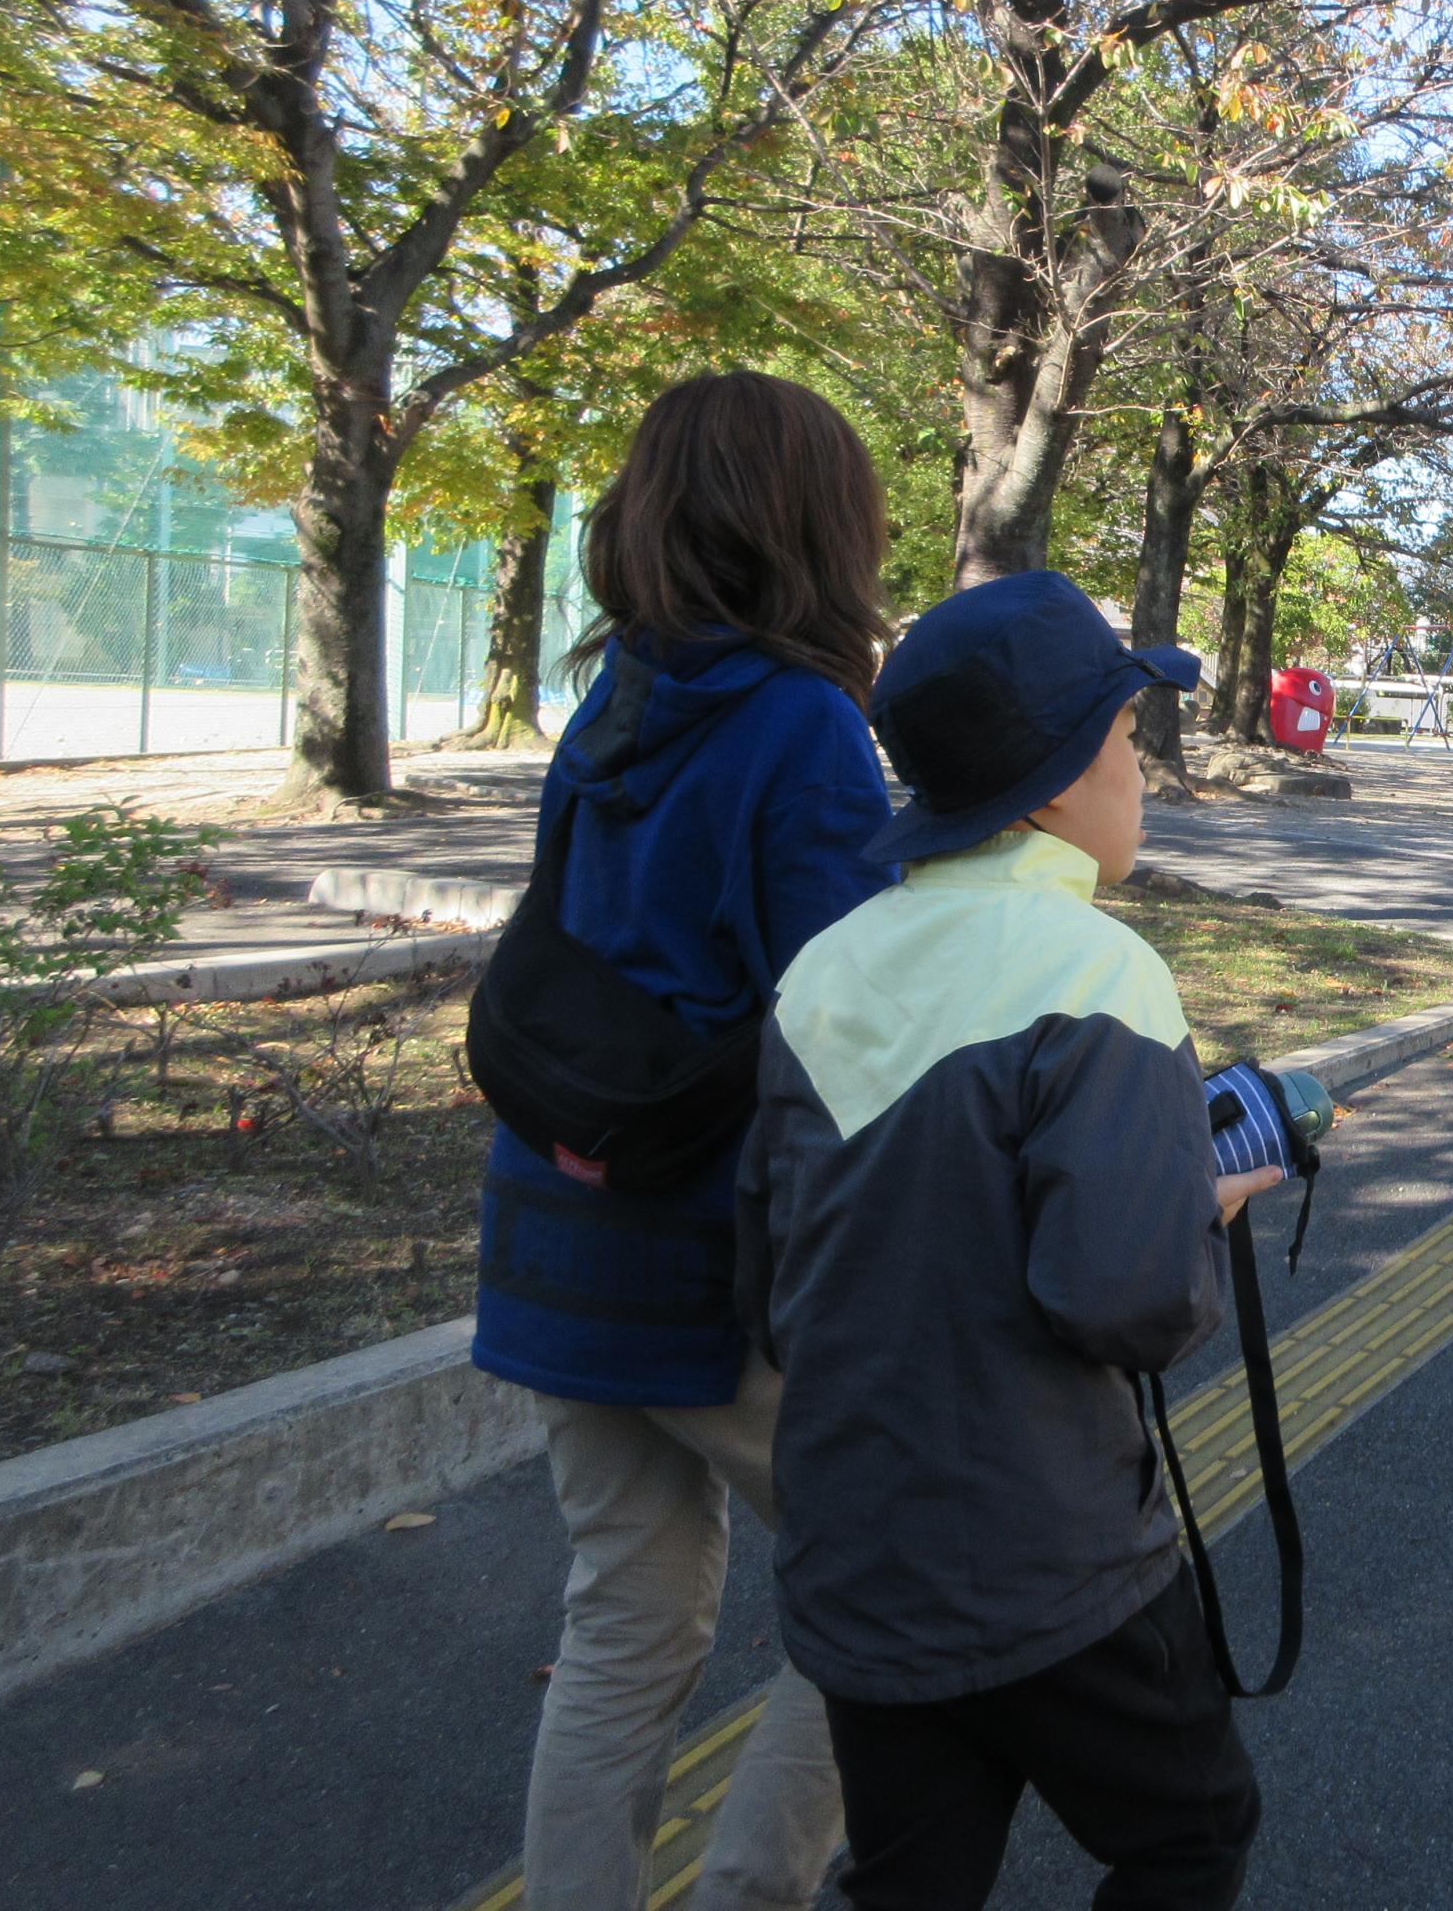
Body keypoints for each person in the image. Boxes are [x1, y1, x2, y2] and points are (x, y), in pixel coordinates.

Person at [737, 571, 1281, 1911]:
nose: (1139, 771)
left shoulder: (824, 969)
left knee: (910, 1881)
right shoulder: (1097, 973)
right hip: (1050, 1562)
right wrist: (1195, 1213)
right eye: (1125, 737)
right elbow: (1129, 1299)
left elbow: (773, 1282)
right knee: (1191, 1832)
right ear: (1052, 784)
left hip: (857, 1562)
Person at [471, 373, 898, 1910]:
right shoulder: (804, 724)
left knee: (626, 1617)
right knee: (893, 1571)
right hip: (705, 1260)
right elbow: (847, 1022)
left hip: (554, 1230)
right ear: (814, 530)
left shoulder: (614, 700)